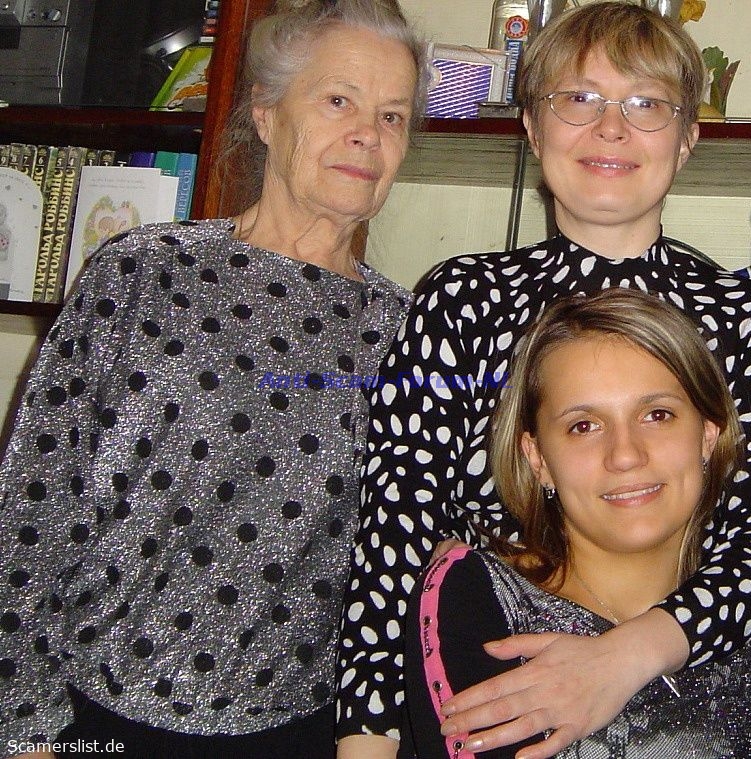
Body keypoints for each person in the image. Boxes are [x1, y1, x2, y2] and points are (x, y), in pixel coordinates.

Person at [335, 3, 751, 758]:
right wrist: (366, 742)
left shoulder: (742, 316)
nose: (611, 128)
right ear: (533, 128)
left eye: (647, 104)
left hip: (704, 693)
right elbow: (394, 533)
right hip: (490, 689)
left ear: (687, 139)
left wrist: (626, 656)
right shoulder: (462, 302)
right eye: (578, 99)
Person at [0, 1, 428, 757]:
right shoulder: (142, 272)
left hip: (298, 732)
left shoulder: (407, 331)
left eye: (393, 116)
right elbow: (35, 500)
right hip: (94, 714)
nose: (368, 132)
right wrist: (24, 723)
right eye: (338, 100)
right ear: (265, 113)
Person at [404, 288, 751, 758]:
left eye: (657, 415)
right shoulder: (481, 599)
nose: (625, 455)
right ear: (538, 459)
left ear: (707, 436)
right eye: (583, 426)